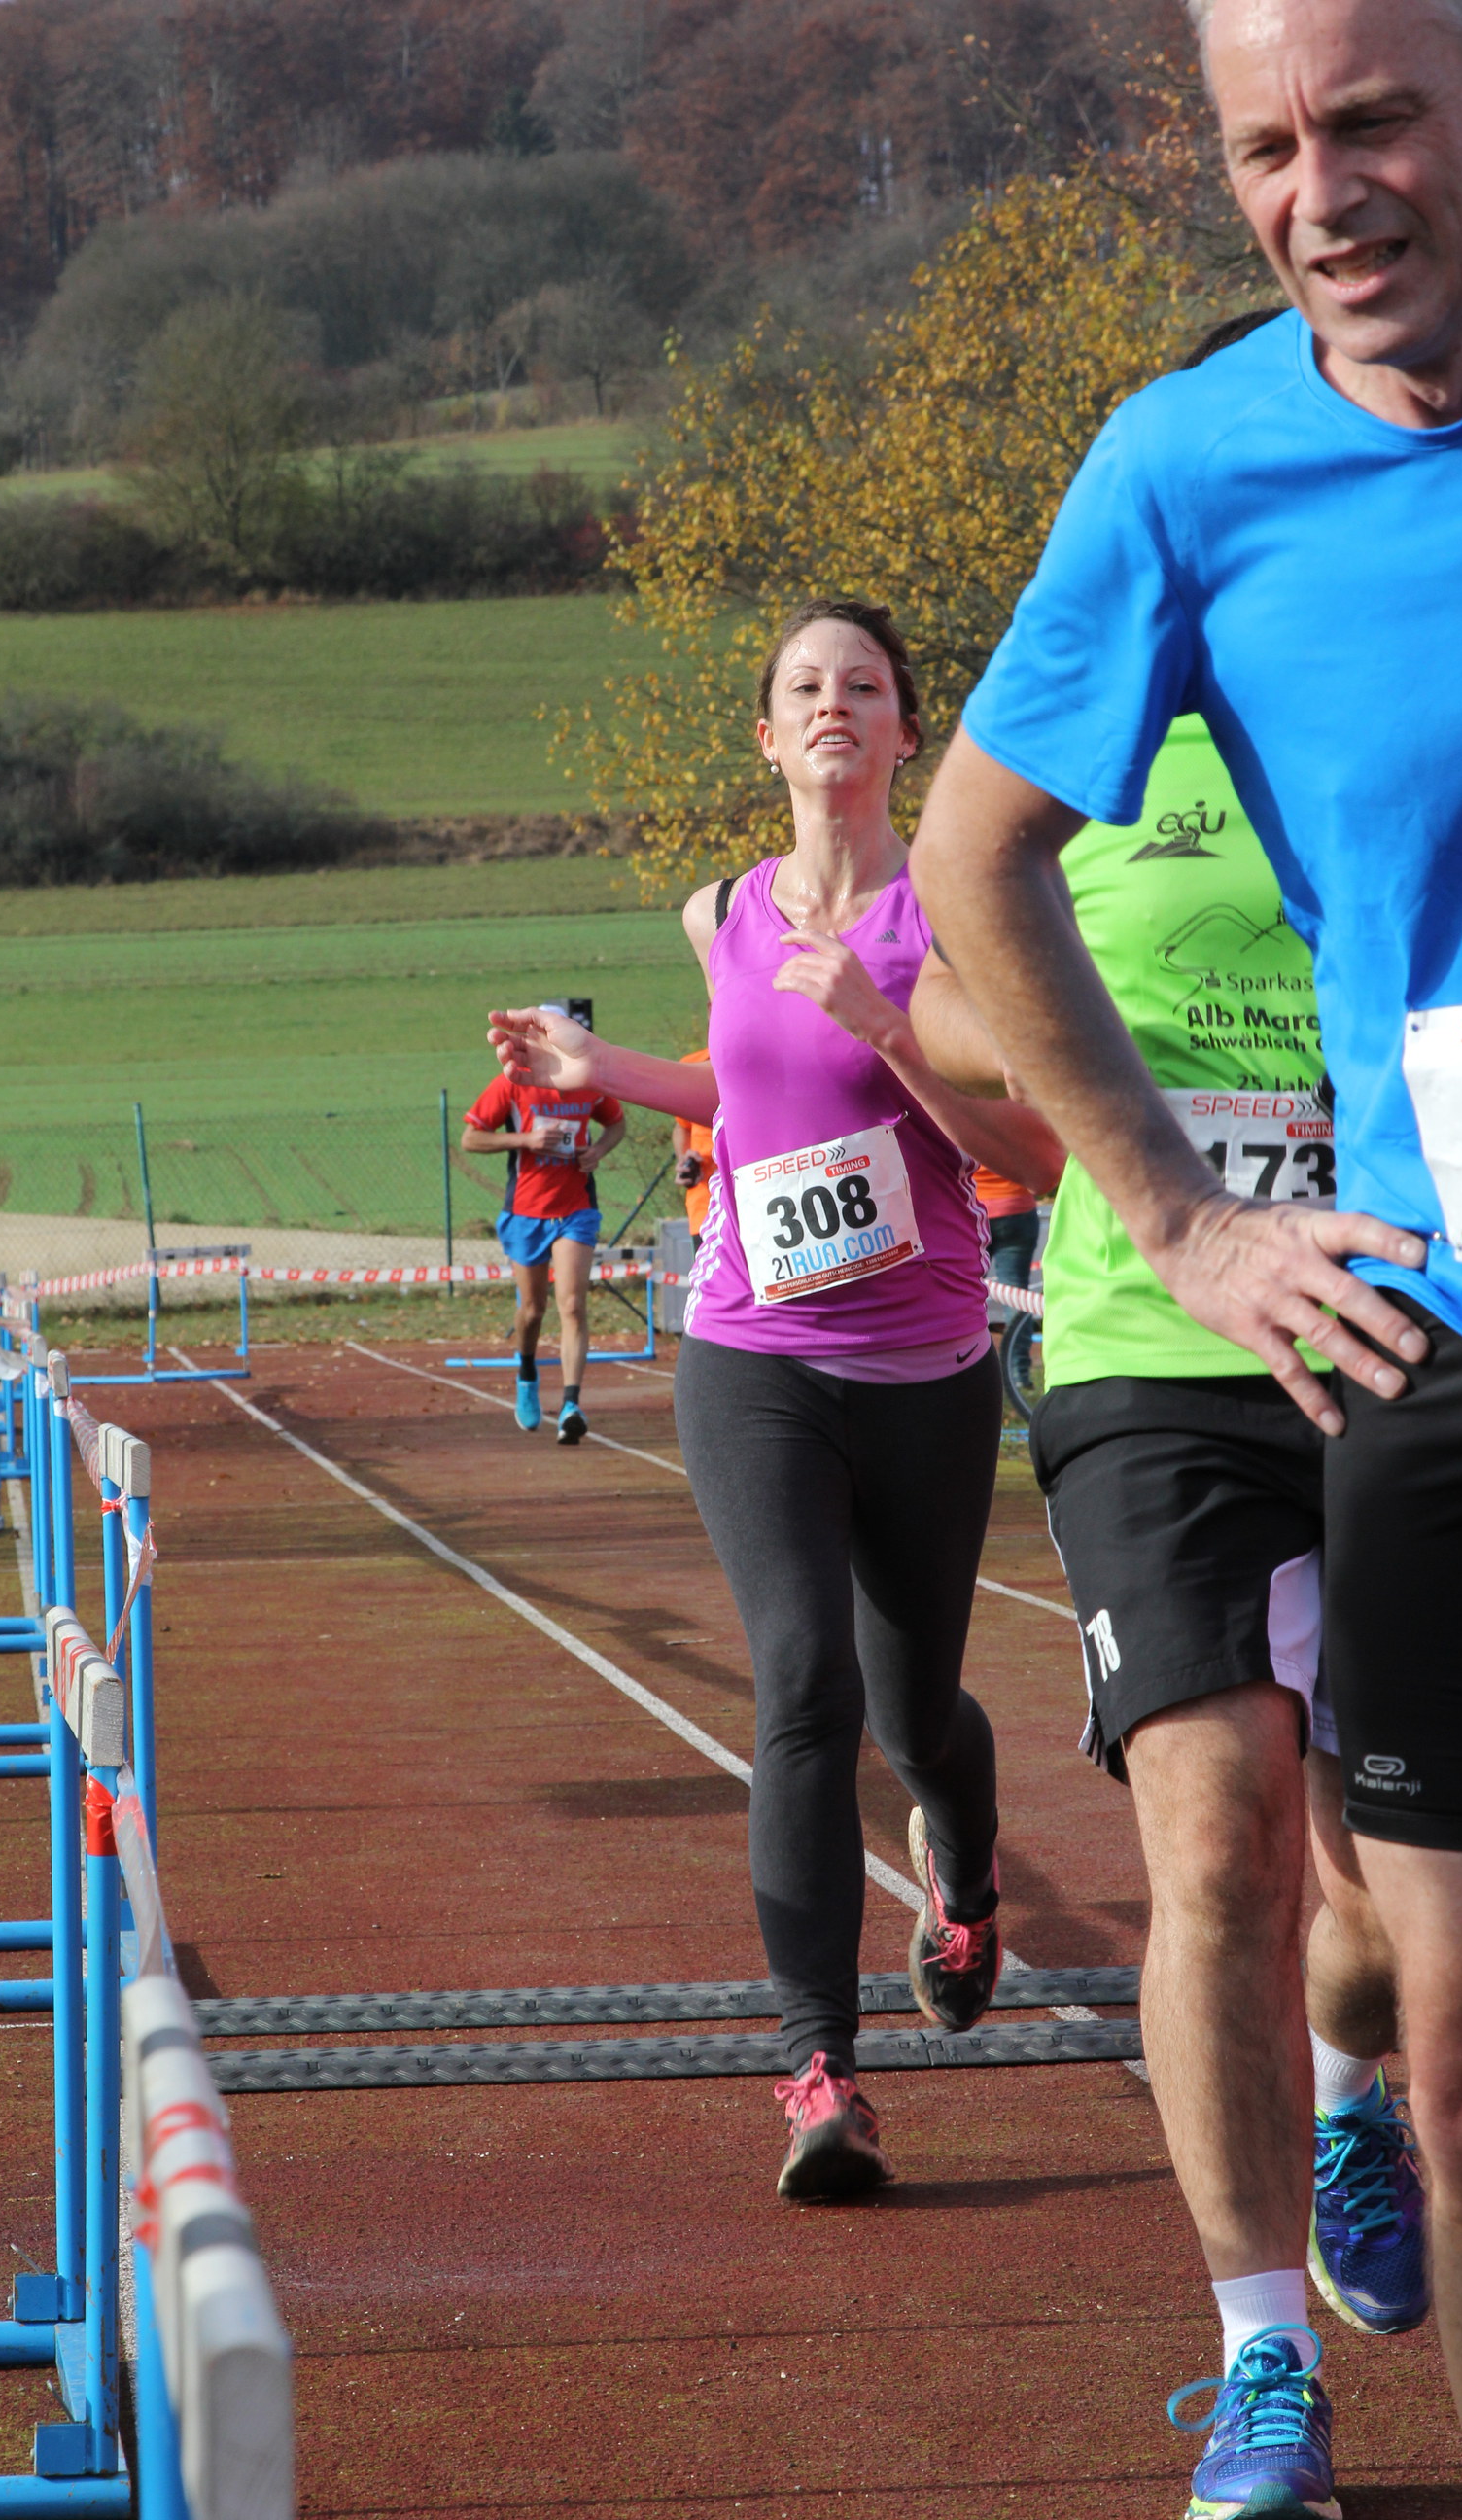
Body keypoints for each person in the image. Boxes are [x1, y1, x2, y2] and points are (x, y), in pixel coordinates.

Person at [908, 1, 1462, 2511]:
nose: (1321, 191)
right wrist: (1183, 1223)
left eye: (1373, 119)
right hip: (1452, 1355)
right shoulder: (1189, 470)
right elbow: (972, 859)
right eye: (1265, 148)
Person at [488, 598, 1062, 2200]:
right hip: (753, 1356)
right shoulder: (718, 914)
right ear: (766, 734)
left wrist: (890, 1030)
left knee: (913, 1709)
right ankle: (821, 2072)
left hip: (927, 1369)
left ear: (905, 732)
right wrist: (602, 1074)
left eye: (862, 685)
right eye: (803, 686)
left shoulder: (954, 917)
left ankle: (962, 1862)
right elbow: (746, 1096)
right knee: (804, 1681)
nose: (831, 705)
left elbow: (1027, 1150)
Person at [914, 704, 1417, 2520]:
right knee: (1217, 1850)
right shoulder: (1096, 728)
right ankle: (1261, 2362)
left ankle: (1348, 2095)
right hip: (1156, 1356)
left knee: (1384, 1901)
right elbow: (944, 979)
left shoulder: (1396, 690)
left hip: (1403, 1343)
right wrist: (1055, 1041)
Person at [461, 1054, 626, 1445]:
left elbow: (616, 1123)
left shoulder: (588, 1083)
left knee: (572, 1305)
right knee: (533, 1310)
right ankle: (526, 1373)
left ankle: (571, 1405)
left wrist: (598, 1151)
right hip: (526, 1212)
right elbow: (470, 1138)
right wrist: (525, 1140)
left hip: (576, 1209)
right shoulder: (513, 1083)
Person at [973, 1163, 1040, 1391]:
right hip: (1017, 1207)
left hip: (975, 1210)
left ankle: (964, 1367)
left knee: (964, 1293)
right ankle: (1019, 1375)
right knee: (1017, 1297)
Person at [673, 1047, 717, 1246]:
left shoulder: (766, 1057)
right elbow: (682, 1127)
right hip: (706, 1205)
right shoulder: (691, 1066)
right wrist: (684, 1159)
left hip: (757, 1201)